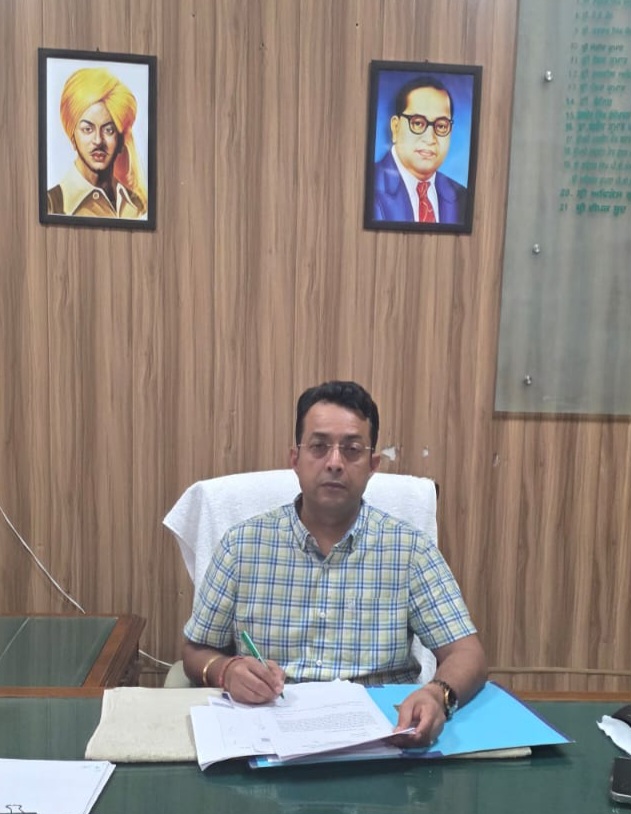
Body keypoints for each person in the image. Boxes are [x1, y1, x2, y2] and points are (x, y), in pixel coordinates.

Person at [182, 380, 486, 747]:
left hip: (382, 739)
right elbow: (195, 650)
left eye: (352, 450)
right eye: (319, 446)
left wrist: (438, 694)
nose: (335, 463)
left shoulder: (409, 550)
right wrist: (226, 670)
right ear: (295, 459)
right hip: (268, 738)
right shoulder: (242, 545)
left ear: (372, 465)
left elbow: (466, 653)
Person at [47, 67, 147, 219]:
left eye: (109, 130)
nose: (98, 141)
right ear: (73, 138)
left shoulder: (138, 205)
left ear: (121, 140)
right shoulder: (51, 205)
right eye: (87, 129)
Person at [372, 76, 468, 225]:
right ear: (395, 127)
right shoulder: (368, 185)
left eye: (441, 126)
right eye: (417, 123)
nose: (430, 139)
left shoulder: (462, 197)